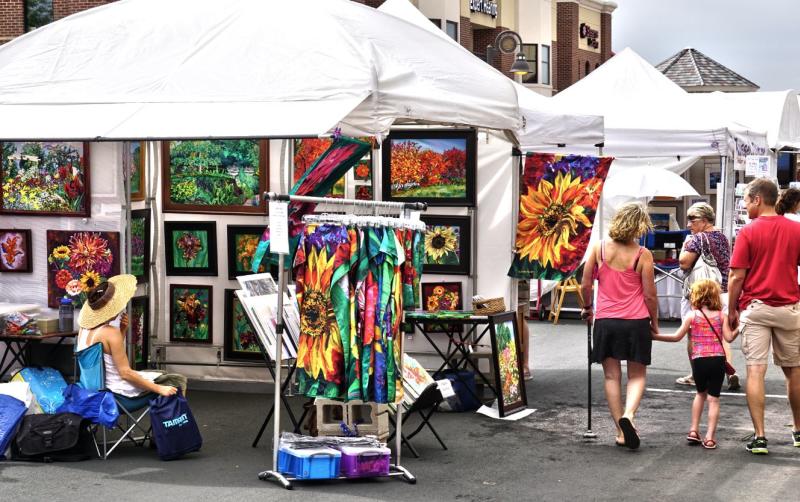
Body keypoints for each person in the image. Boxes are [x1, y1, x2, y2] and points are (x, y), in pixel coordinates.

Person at [728, 178, 800, 455]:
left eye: (746, 200)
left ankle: (760, 436)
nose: (745, 206)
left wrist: (732, 310)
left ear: (758, 199)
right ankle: (798, 430)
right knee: (794, 371)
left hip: (756, 308)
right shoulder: (795, 230)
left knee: (756, 370)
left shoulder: (748, 231)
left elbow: (736, 277)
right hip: (789, 308)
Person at [581, 202, 659, 450]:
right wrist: (654, 322)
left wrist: (587, 308)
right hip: (635, 321)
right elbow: (650, 295)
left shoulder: (599, 249)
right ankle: (629, 415)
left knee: (611, 375)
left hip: (606, 321)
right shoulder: (642, 254)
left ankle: (620, 430)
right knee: (637, 374)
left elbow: (585, 285)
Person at [653, 279, 737, 449]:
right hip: (717, 359)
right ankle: (710, 438)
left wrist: (654, 336)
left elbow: (676, 337)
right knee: (714, 399)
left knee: (700, 394)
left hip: (698, 360)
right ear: (715, 296)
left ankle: (693, 430)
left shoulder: (692, 316)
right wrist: (739, 328)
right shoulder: (722, 316)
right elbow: (728, 338)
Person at [76, 275, 186, 398]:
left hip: (91, 389)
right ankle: (174, 417)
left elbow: (108, 355)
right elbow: (125, 373)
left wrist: (122, 331)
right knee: (177, 380)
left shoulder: (83, 329)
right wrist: (159, 389)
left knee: (162, 374)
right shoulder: (111, 332)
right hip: (116, 392)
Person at [675, 202, 740, 391]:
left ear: (704, 220)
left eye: (692, 219)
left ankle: (696, 375)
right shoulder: (721, 237)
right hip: (722, 291)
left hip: (701, 293)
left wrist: (686, 244)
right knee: (720, 334)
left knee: (693, 334)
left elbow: (684, 263)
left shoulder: (696, 239)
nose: (688, 224)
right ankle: (730, 372)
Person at [517, 279, 532, 380]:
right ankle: (523, 364)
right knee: (519, 316)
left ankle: (524, 363)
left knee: (520, 316)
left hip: (520, 273)